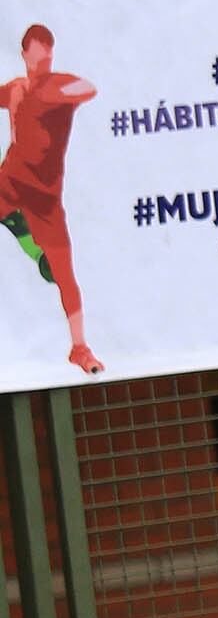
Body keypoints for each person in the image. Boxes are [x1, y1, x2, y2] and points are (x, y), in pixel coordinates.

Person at [0, 25, 102, 374]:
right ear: (25, 55)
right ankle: (21, 232)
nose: (42, 62)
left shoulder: (58, 86)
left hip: (45, 198)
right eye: (36, 55)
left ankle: (80, 348)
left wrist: (57, 95)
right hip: (10, 180)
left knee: (63, 273)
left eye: (48, 56)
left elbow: (88, 88)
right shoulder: (16, 89)